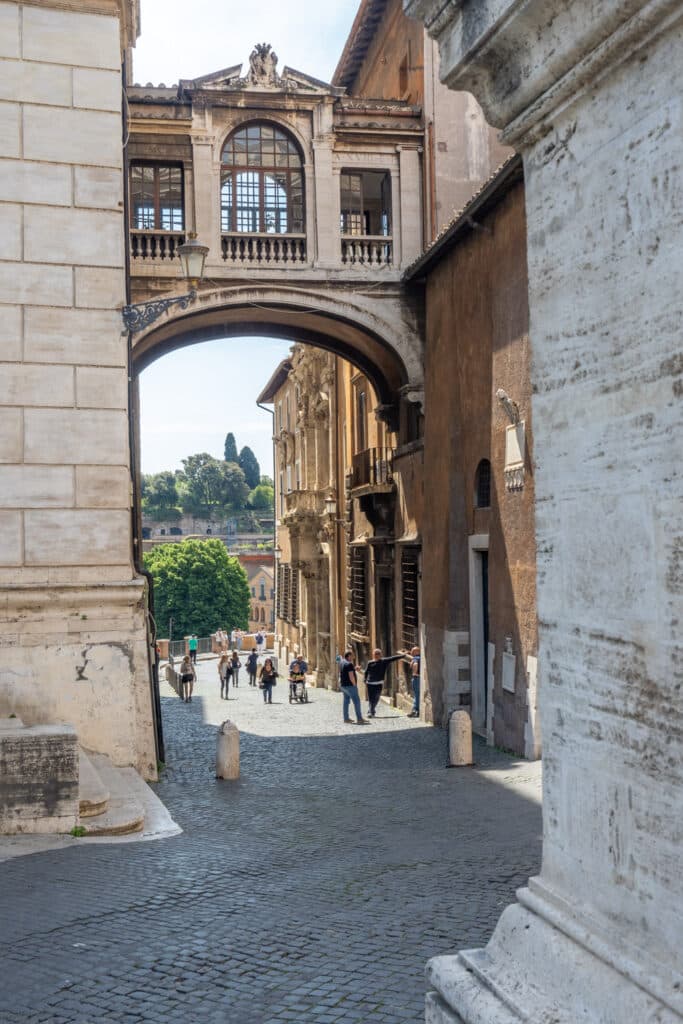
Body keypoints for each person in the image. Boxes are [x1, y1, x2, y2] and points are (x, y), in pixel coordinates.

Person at [363, 647, 406, 718]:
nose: (376, 655)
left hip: (379, 683)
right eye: (375, 654)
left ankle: (371, 710)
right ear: (373, 655)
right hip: (370, 683)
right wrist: (365, 679)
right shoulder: (370, 663)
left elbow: (393, 658)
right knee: (371, 698)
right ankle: (371, 711)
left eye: (378, 654)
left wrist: (403, 655)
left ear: (380, 655)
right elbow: (366, 672)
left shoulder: (384, 661)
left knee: (376, 697)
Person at [339, 650, 367, 724]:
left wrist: (354, 669)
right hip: (350, 686)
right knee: (357, 701)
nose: (354, 657)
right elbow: (351, 677)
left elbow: (346, 671)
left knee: (346, 702)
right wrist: (354, 685)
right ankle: (359, 719)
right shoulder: (349, 664)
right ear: (349, 656)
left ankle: (346, 718)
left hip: (343, 685)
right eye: (352, 655)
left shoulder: (342, 662)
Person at [406, 646, 421, 717]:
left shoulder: (415, 658)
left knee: (416, 694)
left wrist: (414, 673)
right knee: (418, 694)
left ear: (416, 652)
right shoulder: (421, 658)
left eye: (412, 651)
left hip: (416, 678)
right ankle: (417, 710)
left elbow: (415, 664)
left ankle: (415, 710)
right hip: (420, 678)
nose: (411, 652)